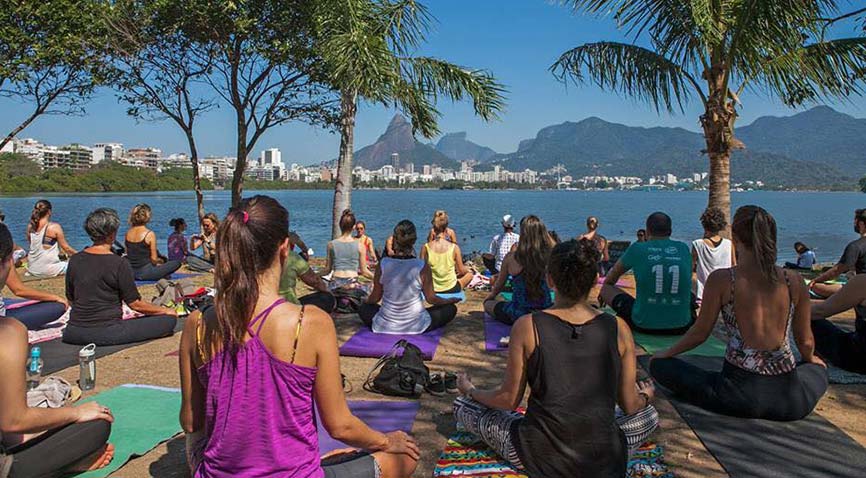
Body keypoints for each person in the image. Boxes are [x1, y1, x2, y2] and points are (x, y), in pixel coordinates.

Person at [178, 196, 419, 477]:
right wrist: (386, 441)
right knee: (406, 456)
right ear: (285, 248)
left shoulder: (196, 325)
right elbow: (340, 425)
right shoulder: (311, 322)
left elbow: (191, 422)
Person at [453, 239, 659, 477]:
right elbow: (630, 405)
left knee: (463, 406)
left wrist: (471, 391)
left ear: (550, 279)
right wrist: (645, 396)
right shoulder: (619, 328)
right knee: (650, 415)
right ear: (594, 280)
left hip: (538, 455)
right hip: (604, 458)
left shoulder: (527, 326)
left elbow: (509, 400)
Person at [650, 206, 828, 421]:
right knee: (818, 371)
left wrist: (667, 353)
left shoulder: (723, 280)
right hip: (789, 401)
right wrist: (811, 360)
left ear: (735, 237)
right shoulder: (794, 280)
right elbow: (805, 340)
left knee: (659, 366)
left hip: (735, 395)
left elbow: (700, 333)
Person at [0, 222, 115, 477]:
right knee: (97, 423)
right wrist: (75, 412)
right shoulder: (8, 332)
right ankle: (62, 466)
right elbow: (13, 421)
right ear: (8, 262)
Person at [63, 208, 178, 346]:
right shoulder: (119, 263)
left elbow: (71, 300)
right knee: (169, 320)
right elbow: (135, 304)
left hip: (73, 332)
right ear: (112, 234)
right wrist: (166, 310)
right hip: (106, 331)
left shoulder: (75, 259)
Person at [601, 212, 694, 334]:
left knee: (606, 288)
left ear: (647, 231)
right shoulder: (683, 248)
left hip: (643, 324)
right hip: (682, 325)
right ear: (670, 231)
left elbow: (610, 279)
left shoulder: (637, 248)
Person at [360, 220, 459, 334]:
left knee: (363, 308)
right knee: (450, 309)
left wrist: (365, 300)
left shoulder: (383, 264)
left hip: (385, 325)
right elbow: (431, 299)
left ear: (395, 239)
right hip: (417, 325)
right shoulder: (421, 265)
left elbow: (375, 298)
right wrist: (449, 300)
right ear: (414, 241)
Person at [484, 216, 555, 325]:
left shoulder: (511, 257)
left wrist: (490, 297)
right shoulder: (549, 255)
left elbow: (499, 285)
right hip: (544, 312)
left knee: (488, 305)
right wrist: (545, 235)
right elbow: (557, 247)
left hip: (519, 314)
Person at [810, 274, 866, 373]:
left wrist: (794, 305)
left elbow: (820, 311)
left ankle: (808, 356)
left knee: (807, 317)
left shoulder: (862, 281)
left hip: (859, 360)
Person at [809, 208, 866, 298]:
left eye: (855, 221)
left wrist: (816, 280)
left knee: (815, 287)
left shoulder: (856, 246)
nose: (854, 224)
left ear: (861, 224)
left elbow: (837, 271)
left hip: (861, 288)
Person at [124, 204, 182, 282]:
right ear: (148, 217)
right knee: (176, 263)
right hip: (146, 273)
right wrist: (160, 262)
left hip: (131, 272)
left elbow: (127, 254)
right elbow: (154, 260)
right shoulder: (149, 234)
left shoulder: (128, 233)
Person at [1, 265, 67, 330]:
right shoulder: (6, 260)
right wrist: (55, 297)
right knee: (57, 307)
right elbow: (19, 290)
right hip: (3, 320)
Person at [321, 210, 374, 291]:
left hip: (336, 284)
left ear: (340, 225)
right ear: (353, 227)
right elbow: (364, 272)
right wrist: (378, 278)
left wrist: (314, 275)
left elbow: (327, 270)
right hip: (352, 284)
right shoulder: (360, 246)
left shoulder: (331, 244)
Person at [421, 211, 472, 294]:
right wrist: (469, 270)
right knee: (469, 275)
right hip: (451, 287)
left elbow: (421, 270)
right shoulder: (454, 247)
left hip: (431, 287)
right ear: (446, 227)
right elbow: (461, 271)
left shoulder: (425, 247)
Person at [25, 200, 76, 278]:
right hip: (47, 270)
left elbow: (32, 244)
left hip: (32, 268)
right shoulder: (54, 227)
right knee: (76, 265)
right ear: (49, 212)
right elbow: (67, 248)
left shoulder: (30, 226)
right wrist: (81, 255)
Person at [692, 207, 735, 300]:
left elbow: (690, 267)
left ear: (704, 225)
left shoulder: (697, 244)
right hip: (724, 292)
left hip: (703, 293)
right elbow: (734, 266)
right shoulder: (729, 244)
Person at [279, 245, 337, 314]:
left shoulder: (262, 257)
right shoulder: (291, 256)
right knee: (327, 298)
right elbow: (315, 281)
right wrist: (328, 292)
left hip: (264, 307)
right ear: (286, 241)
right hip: (289, 306)